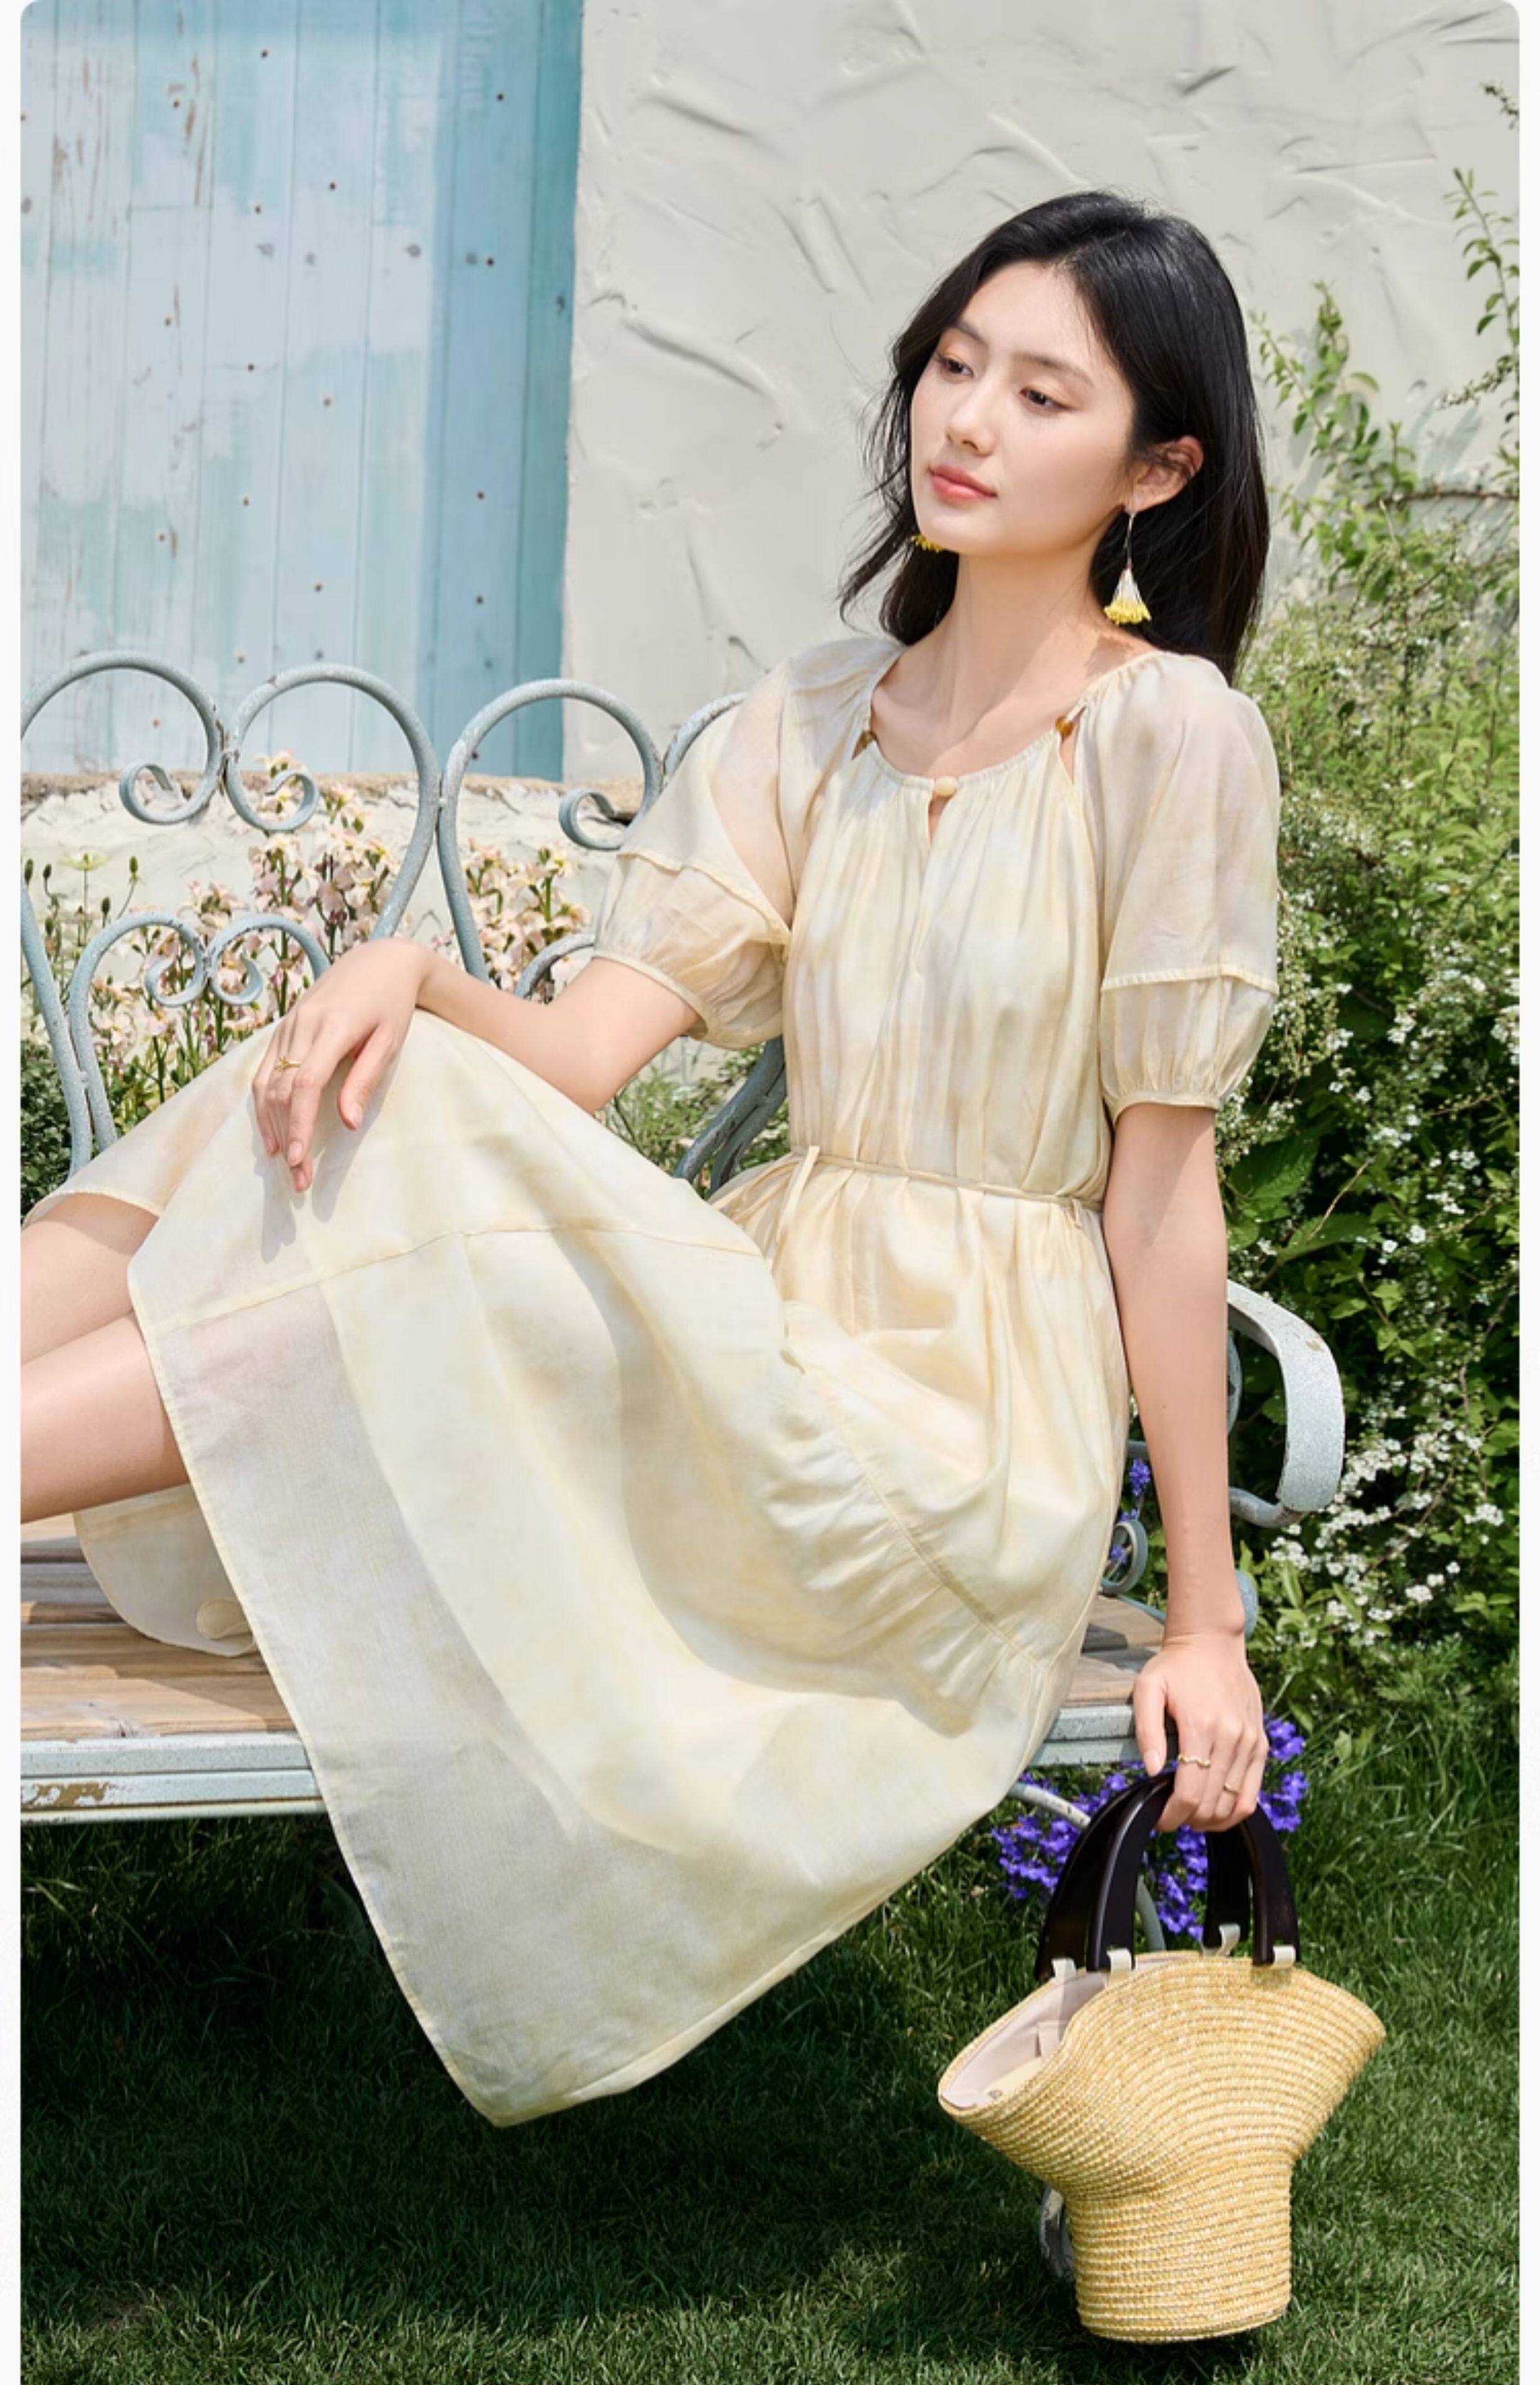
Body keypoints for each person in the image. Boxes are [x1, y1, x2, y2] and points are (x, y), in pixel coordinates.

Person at [20, 188, 1281, 2128]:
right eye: (955, 365)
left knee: (424, 1206)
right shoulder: (813, 722)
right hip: (766, 1337)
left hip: (951, 1438)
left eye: (1045, 396)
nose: (968, 420)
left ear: (1158, 469)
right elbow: (580, 1066)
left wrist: (1205, 1619)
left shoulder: (1169, 738)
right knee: (374, 1079)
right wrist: (410, 970)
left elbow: (1163, 1196)